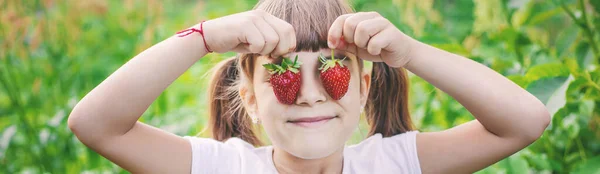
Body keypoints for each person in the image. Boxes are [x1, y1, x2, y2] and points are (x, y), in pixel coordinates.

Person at [67, 0, 551, 173]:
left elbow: (526, 122)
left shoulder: (395, 164)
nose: (309, 93)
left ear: (364, 87)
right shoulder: (223, 168)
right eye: (282, 74)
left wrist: (412, 53)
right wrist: (204, 37)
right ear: (251, 98)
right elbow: (95, 125)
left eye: (333, 70)